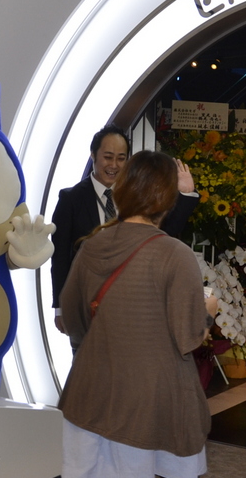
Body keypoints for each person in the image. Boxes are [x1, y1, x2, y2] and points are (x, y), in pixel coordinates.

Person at [59, 150, 229, 478]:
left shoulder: (92, 245)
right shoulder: (174, 254)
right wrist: (209, 310)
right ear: (168, 200)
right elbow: (188, 335)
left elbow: (73, 319)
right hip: (161, 394)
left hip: (98, 392)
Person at [50, 126, 199, 336]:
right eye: (108, 157)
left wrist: (185, 194)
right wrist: (60, 307)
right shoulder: (71, 199)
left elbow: (164, 233)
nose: (114, 165)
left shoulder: (137, 196)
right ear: (93, 155)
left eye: (121, 158)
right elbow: (60, 257)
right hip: (84, 306)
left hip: (131, 306)